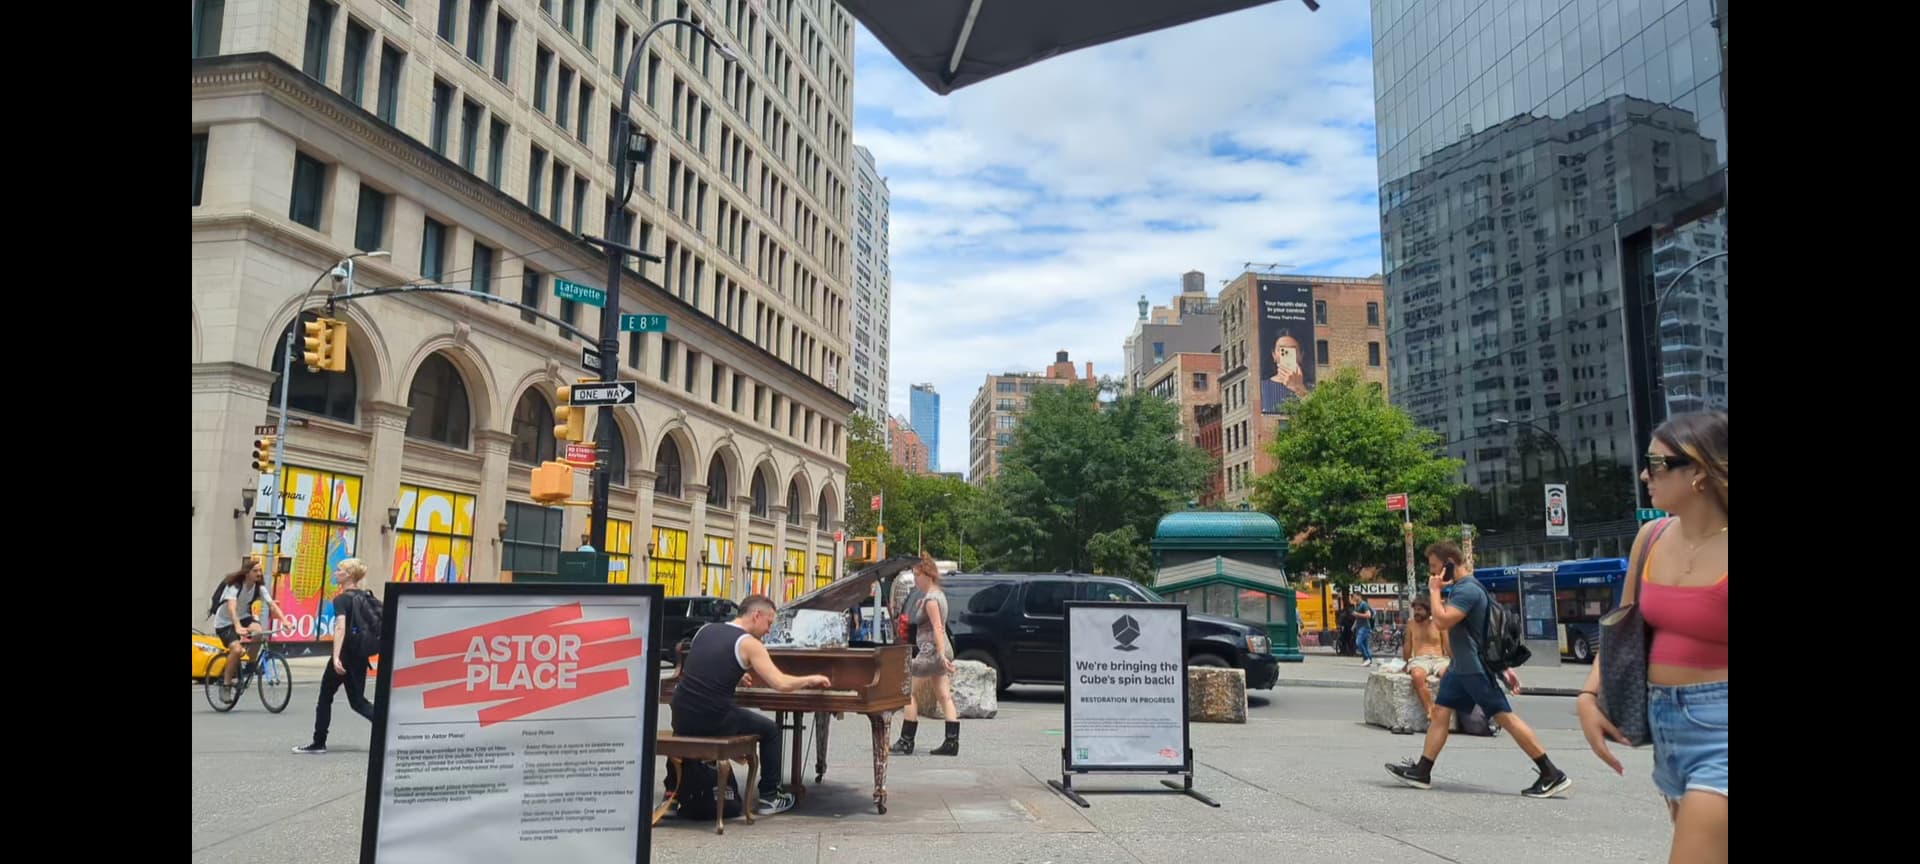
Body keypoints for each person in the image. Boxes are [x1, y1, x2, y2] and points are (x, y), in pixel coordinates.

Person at [1577, 411, 1727, 863]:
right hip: (1667, 729)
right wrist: (1589, 695)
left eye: (1657, 464)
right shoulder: (1651, 536)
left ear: (1699, 471)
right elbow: (1624, 628)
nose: (1645, 475)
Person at [1386, 541, 1571, 798]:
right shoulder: (1463, 588)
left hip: (1472, 669)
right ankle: (1422, 771)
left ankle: (1551, 772)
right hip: (1459, 669)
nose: (1432, 573)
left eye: (1435, 567)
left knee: (1505, 717)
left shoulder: (1468, 590)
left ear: (1450, 564)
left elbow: (1441, 621)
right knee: (1440, 713)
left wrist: (1434, 591)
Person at [670, 594, 832, 815]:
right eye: (769, 623)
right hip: (713, 718)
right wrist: (811, 679)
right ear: (756, 615)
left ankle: (673, 794)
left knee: (734, 716)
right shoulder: (749, 643)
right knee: (771, 730)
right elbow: (781, 683)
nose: (769, 630)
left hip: (681, 715)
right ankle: (770, 797)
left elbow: (708, 668)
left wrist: (735, 676)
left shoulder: (705, 631)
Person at [294, 559, 378, 754]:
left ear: (348, 575)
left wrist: (336, 656)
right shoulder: (365, 596)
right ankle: (389, 728)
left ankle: (319, 742)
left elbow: (340, 628)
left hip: (344, 655)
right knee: (358, 702)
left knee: (325, 697)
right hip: (360, 656)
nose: (336, 572)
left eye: (339, 570)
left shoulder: (342, 599)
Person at [889, 557, 962, 756]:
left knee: (908, 693)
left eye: (917, 575)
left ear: (928, 575)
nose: (915, 579)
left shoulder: (931, 600)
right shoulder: (938, 595)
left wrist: (940, 655)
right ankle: (951, 742)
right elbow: (938, 624)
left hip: (930, 651)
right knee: (944, 695)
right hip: (939, 649)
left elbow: (938, 628)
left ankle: (906, 740)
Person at [210, 558, 286, 690]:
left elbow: (272, 605)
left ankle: (250, 665)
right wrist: (237, 626)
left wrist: (285, 621)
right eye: (255, 571)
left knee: (258, 632)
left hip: (243, 617)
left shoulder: (259, 588)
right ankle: (226, 683)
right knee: (237, 650)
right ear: (247, 573)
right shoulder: (235, 586)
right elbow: (232, 608)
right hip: (224, 622)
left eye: (260, 571)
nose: (259, 574)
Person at [1402, 596, 1450, 722]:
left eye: (1419, 610)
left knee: (1448, 675)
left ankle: (1443, 708)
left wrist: (1454, 661)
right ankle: (1430, 709)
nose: (1416, 613)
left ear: (1428, 611)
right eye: (1415, 610)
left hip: (1439, 659)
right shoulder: (1411, 624)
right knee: (1417, 675)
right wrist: (1406, 662)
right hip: (1420, 659)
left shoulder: (1439, 623)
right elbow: (1408, 645)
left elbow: (1447, 644)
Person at [1259, 333, 1310, 411]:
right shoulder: (1262, 387)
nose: (1287, 354)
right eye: (1282, 350)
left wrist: (1300, 389)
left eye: (1292, 350)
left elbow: (1317, 413)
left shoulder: (1312, 387)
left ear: (1301, 355)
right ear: (1274, 355)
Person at [1351, 593, 1375, 666]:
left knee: (1358, 642)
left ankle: (1366, 658)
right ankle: (1368, 660)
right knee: (1365, 644)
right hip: (1359, 627)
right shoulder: (1357, 605)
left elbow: (1368, 615)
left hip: (1364, 627)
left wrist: (1357, 614)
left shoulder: (1364, 604)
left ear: (1359, 596)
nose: (1353, 598)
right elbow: (1357, 617)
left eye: (1354, 596)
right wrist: (1354, 625)